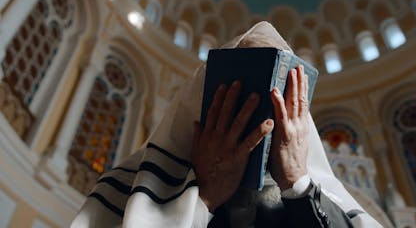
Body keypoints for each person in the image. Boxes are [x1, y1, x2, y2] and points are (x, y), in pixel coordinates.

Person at [71, 22, 382, 228]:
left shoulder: (323, 196)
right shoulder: (127, 190)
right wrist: (204, 196)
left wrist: (297, 183)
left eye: (279, 92)